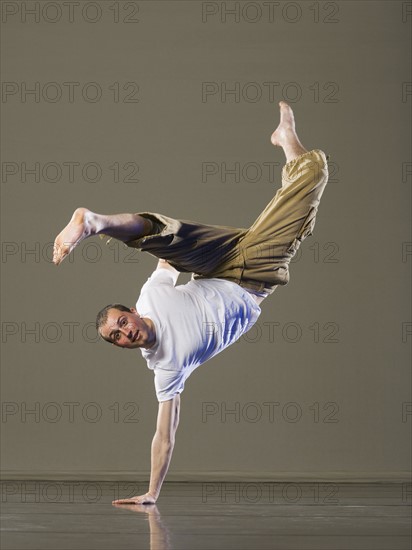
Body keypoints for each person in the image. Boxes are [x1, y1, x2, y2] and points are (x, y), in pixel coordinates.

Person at [53, 101, 330, 504]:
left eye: (121, 322)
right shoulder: (165, 369)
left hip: (218, 260)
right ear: (122, 346)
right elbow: (164, 436)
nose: (124, 331)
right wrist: (151, 493)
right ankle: (287, 142)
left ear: (132, 313)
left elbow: (171, 252)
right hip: (253, 276)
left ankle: (96, 223)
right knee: (310, 186)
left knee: (171, 235)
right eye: (117, 336)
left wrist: (184, 245)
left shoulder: (151, 296)